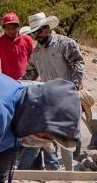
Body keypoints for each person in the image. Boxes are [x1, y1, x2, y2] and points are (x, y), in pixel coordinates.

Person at [21, 11, 85, 169]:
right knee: (48, 134)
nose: (37, 36)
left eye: (39, 31)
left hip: (66, 95)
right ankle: (53, 168)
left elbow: (78, 63)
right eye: (34, 33)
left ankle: (69, 171)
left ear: (47, 28)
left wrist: (75, 85)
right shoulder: (36, 53)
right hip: (48, 97)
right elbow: (30, 73)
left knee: (66, 135)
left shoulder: (65, 43)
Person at [0, 12, 33, 81]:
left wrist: (32, 78)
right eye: (8, 28)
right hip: (7, 82)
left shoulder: (27, 40)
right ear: (4, 28)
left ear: (18, 27)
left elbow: (33, 62)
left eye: (14, 28)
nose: (11, 31)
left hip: (26, 81)